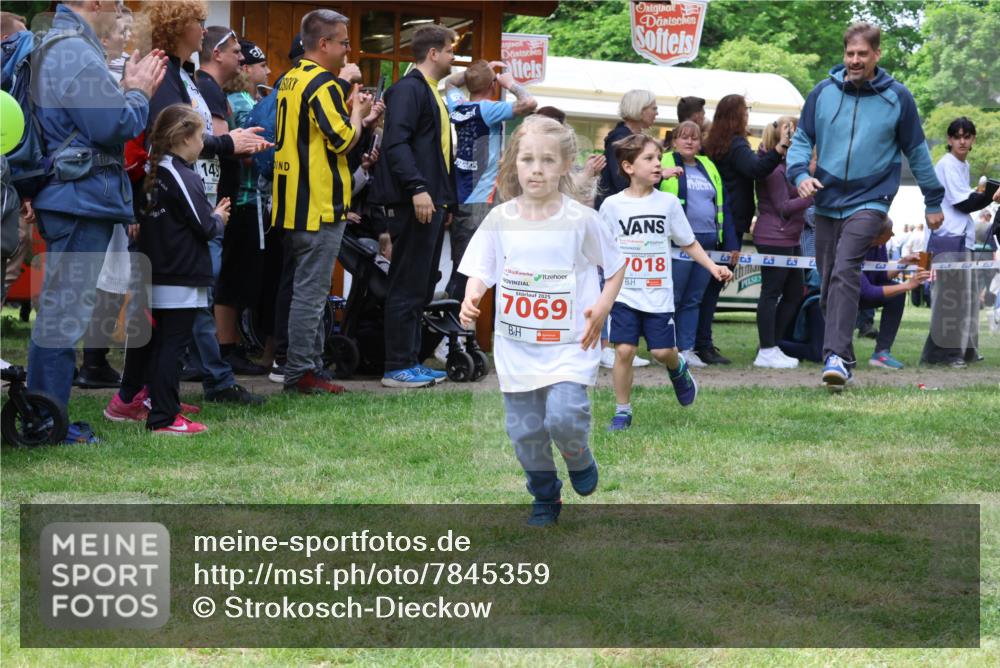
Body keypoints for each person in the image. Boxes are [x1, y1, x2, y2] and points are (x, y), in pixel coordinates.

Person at [458, 115, 626, 527]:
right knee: (525, 433)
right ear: (515, 163)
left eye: (548, 160)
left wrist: (603, 307)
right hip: (517, 348)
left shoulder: (581, 219)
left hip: (570, 343)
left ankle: (579, 455)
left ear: (566, 165)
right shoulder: (501, 218)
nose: (536, 169)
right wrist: (472, 294)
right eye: (528, 159)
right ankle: (545, 494)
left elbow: (617, 266)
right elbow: (483, 266)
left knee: (565, 416)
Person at [26, 0, 167, 443]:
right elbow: (115, 124)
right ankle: (46, 421)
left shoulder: (69, 46)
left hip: (78, 197)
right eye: (119, 3)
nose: (122, 11)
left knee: (64, 311)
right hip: (77, 200)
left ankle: (47, 415)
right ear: (98, 3)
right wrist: (138, 91)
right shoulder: (73, 50)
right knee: (64, 315)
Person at [788, 22, 945, 392]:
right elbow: (801, 140)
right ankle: (844, 357)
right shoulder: (822, 93)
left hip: (871, 199)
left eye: (862, 54)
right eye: (850, 53)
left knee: (846, 269)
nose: (855, 60)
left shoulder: (898, 98)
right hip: (827, 200)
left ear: (877, 54)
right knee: (827, 283)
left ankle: (836, 357)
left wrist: (932, 198)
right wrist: (798, 175)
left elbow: (918, 152)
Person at [139, 0, 269, 405]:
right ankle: (200, 383)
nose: (203, 29)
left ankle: (164, 388)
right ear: (179, 27)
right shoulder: (164, 74)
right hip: (180, 200)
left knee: (193, 300)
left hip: (197, 194)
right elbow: (170, 136)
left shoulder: (182, 73)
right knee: (188, 298)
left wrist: (232, 142)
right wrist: (229, 143)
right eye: (198, 21)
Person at [105, 104, 228, 434]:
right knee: (171, 348)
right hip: (179, 273)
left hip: (159, 271)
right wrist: (219, 217)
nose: (203, 144)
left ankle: (157, 405)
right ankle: (164, 417)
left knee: (159, 344)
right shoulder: (180, 175)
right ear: (185, 137)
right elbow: (203, 226)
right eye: (201, 137)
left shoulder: (154, 170)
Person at [601, 134, 731, 432]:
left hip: (658, 294)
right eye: (648, 158)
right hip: (624, 294)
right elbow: (600, 247)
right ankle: (622, 411)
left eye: (658, 158)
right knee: (624, 351)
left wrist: (712, 267)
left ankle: (678, 368)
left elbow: (688, 242)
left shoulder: (668, 203)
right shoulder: (611, 206)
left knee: (661, 353)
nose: (657, 163)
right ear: (628, 166)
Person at [272, 8, 372, 394]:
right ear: (324, 43)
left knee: (303, 289)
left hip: (290, 202)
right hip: (317, 204)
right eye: (344, 42)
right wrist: (359, 114)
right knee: (311, 295)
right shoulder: (323, 84)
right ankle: (301, 372)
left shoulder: (290, 79)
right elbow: (343, 139)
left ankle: (309, 366)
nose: (348, 49)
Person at [369, 24, 457, 388]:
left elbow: (436, 151)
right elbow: (397, 145)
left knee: (421, 284)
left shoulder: (431, 90)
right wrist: (418, 188)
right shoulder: (407, 89)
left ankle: (411, 360)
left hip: (432, 201)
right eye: (450, 50)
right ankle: (396, 367)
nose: (454, 56)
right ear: (433, 53)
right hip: (412, 202)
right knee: (406, 284)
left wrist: (444, 198)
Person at [700, 94, 787, 366]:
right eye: (745, 110)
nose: (748, 115)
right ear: (738, 115)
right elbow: (756, 170)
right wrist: (779, 149)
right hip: (733, 221)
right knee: (714, 285)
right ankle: (702, 344)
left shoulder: (712, 144)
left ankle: (698, 341)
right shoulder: (736, 145)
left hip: (714, 218)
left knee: (704, 288)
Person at [442, 59, 536, 303]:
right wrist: (510, 83)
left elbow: (451, 82)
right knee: (482, 271)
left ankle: (455, 334)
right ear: (493, 85)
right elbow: (529, 103)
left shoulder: (458, 105)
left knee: (462, 268)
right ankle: (459, 329)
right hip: (485, 199)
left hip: (463, 197)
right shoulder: (489, 109)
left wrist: (478, 71)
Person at [214, 38, 275, 375]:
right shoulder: (237, 102)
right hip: (241, 199)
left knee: (238, 277)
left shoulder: (246, 100)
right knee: (233, 277)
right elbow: (241, 152)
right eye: (259, 64)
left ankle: (230, 346)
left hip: (245, 200)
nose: (267, 71)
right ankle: (227, 349)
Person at [920, 117, 1000, 366]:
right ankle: (946, 354)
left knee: (966, 299)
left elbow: (968, 199)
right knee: (950, 300)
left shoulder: (962, 165)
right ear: (949, 140)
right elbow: (963, 203)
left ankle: (962, 351)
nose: (962, 141)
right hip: (946, 239)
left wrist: (987, 193)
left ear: (973, 139)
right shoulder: (947, 164)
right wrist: (991, 195)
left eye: (967, 136)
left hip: (961, 238)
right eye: (957, 136)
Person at [659, 120, 736, 367]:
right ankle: (666, 349)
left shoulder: (707, 165)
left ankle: (688, 348)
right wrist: (660, 174)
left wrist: (728, 240)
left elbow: (722, 203)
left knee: (694, 298)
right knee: (675, 296)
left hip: (707, 239)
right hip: (677, 241)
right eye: (684, 137)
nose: (690, 142)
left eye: (694, 138)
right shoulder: (664, 162)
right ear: (674, 141)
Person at [595, 89, 659, 369]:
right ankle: (605, 346)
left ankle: (621, 344)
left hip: (624, 222)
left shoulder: (625, 138)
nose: (656, 112)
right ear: (639, 109)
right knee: (610, 281)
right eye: (652, 107)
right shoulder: (618, 140)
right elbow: (621, 182)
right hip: (614, 221)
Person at [752, 116, 811, 369]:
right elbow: (783, 207)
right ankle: (766, 349)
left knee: (795, 293)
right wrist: (812, 196)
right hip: (774, 236)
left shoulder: (787, 166)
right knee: (771, 292)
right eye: (793, 134)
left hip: (790, 237)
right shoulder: (775, 170)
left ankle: (771, 346)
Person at [862, 219, 931, 369]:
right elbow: (868, 293)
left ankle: (881, 353)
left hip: (862, 294)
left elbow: (881, 278)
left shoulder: (879, 246)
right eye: (889, 231)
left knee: (897, 294)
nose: (893, 234)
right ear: (876, 235)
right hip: (844, 297)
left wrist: (903, 262)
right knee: (899, 290)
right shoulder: (855, 247)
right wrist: (907, 285)